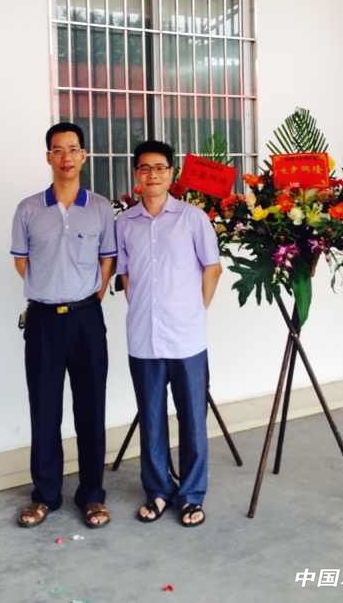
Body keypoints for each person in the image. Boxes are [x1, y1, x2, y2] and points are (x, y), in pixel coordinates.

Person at [11, 122, 116, 529]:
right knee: (44, 410)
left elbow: (107, 259)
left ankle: (92, 495)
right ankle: (45, 495)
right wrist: (50, 289)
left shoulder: (101, 208)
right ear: (48, 157)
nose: (66, 157)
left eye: (73, 149)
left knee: (91, 409)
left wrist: (90, 295)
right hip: (42, 322)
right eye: (58, 150)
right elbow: (21, 261)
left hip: (87, 319)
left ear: (84, 155)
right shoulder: (28, 209)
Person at [116, 140, 222, 528]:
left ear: (171, 173)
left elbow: (212, 268)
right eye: (145, 168)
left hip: (186, 339)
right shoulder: (124, 223)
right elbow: (125, 275)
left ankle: (191, 495)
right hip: (144, 337)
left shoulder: (193, 218)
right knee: (151, 419)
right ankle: (158, 490)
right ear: (136, 174)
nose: (152, 175)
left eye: (160, 167)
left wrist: (194, 309)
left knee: (193, 419)